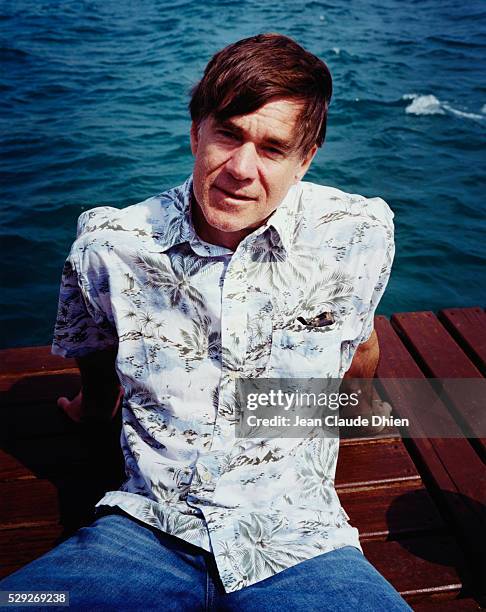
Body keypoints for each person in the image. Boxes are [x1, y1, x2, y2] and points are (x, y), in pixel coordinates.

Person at [0, 33, 410, 611]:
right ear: (197, 131)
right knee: (27, 602)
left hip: (300, 543)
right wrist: (95, 405)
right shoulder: (111, 244)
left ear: (306, 158)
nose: (242, 169)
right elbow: (94, 343)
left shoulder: (356, 233)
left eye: (272, 148)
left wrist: (355, 410)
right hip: (143, 534)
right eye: (228, 134)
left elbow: (357, 336)